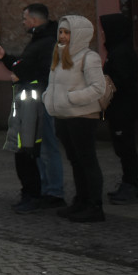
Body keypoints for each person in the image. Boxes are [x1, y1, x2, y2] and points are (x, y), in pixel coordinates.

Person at [0, 3, 66, 213]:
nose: (23, 22)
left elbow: (35, 69)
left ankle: (54, 193)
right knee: (39, 148)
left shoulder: (47, 42)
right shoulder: (40, 39)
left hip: (43, 99)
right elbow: (25, 64)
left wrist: (19, 73)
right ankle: (44, 189)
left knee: (47, 148)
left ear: (34, 20)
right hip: (36, 98)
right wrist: (7, 59)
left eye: (25, 19)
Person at [43, 15, 107, 222]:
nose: (62, 36)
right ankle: (81, 201)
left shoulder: (89, 57)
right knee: (75, 161)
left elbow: (98, 88)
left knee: (87, 161)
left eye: (67, 32)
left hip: (82, 117)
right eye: (61, 32)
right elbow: (53, 85)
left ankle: (95, 207)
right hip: (63, 115)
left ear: (79, 34)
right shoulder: (60, 55)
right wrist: (49, 99)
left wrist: (71, 99)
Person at [99, 13, 138, 205]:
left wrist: (104, 88)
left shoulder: (121, 53)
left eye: (105, 29)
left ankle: (131, 185)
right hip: (119, 108)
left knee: (126, 148)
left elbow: (121, 81)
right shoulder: (116, 50)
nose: (103, 33)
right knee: (122, 148)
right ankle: (129, 183)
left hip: (123, 109)